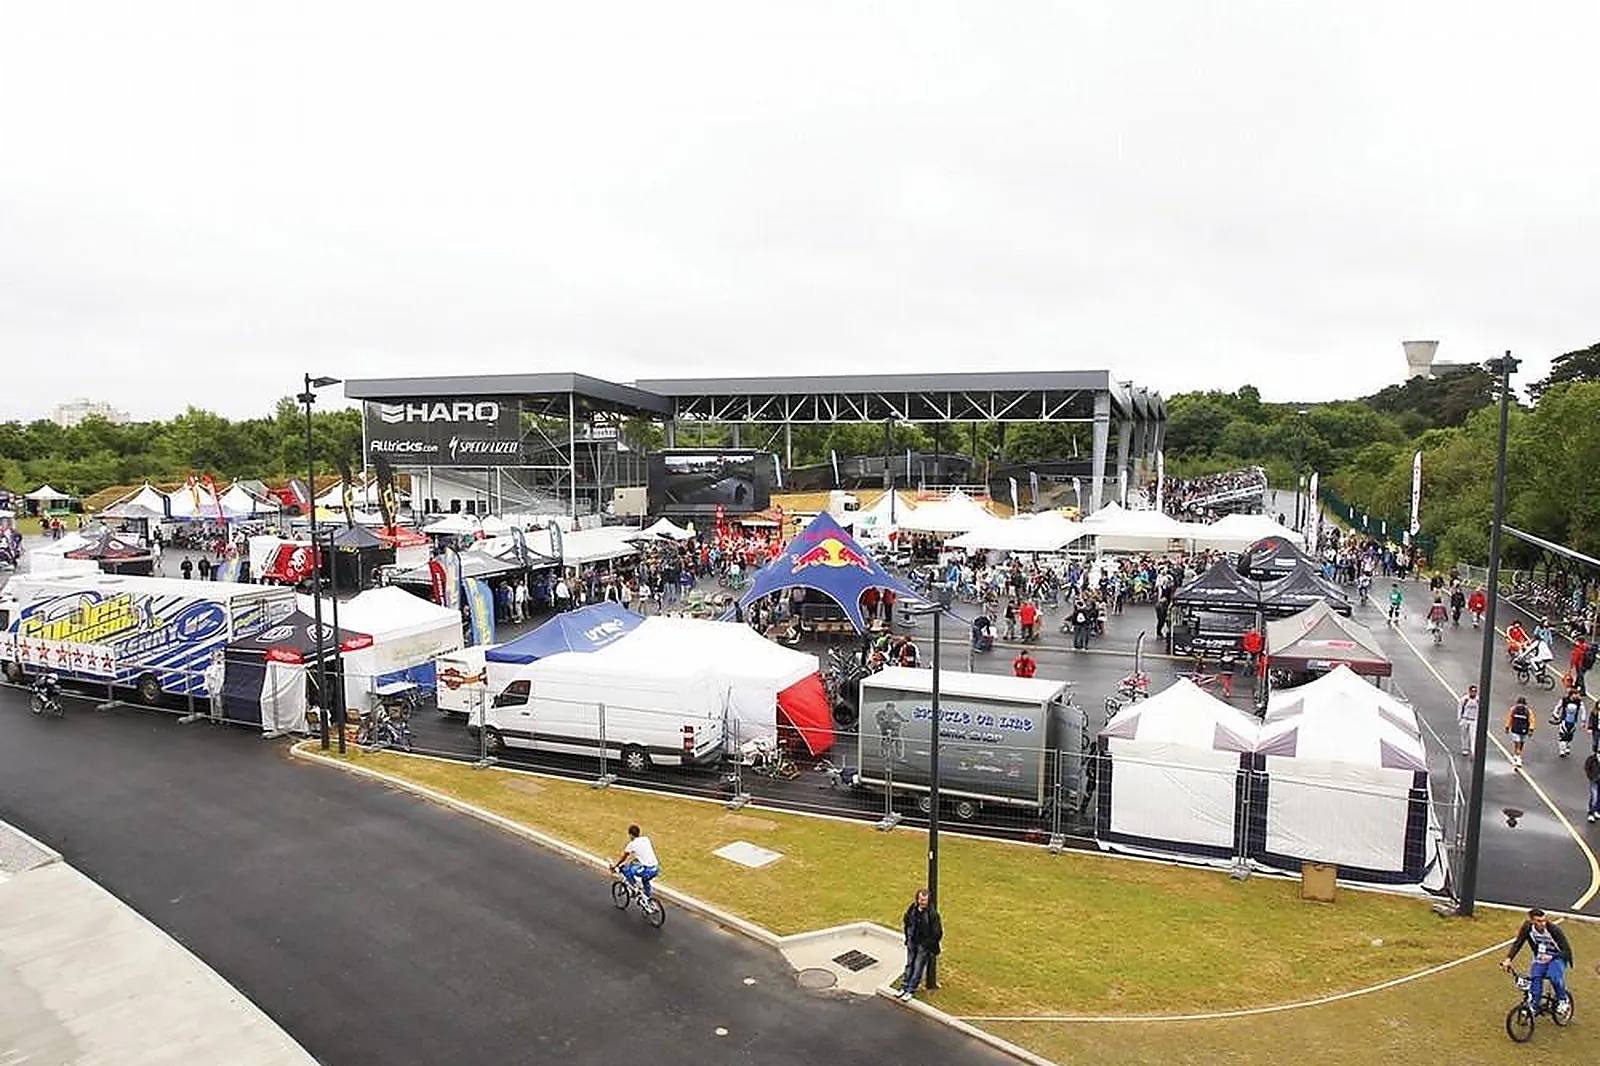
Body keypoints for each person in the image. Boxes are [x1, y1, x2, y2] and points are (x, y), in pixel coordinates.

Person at [1500, 908, 1572, 1016]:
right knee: (1535, 979)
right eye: (1539, 921)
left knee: (1554, 977)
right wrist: (1508, 959)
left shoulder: (1554, 930)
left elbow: (1566, 951)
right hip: (1541, 957)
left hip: (1558, 957)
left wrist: (1551, 956)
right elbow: (1518, 943)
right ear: (1532, 921)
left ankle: (1563, 1000)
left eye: (1544, 920)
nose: (1542, 923)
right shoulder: (1528, 928)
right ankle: (1534, 1005)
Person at [897, 888, 943, 1002]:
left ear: (928, 901)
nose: (922, 902)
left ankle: (910, 990)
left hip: (923, 945)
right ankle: (904, 987)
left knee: (918, 967)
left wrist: (928, 944)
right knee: (909, 964)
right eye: (920, 899)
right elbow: (907, 921)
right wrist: (908, 937)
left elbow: (937, 932)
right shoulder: (913, 908)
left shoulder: (932, 914)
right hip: (913, 941)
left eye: (924, 900)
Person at [611, 824, 660, 906]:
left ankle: (634, 888)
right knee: (645, 880)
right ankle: (647, 899)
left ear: (630, 835)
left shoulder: (631, 845)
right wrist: (634, 861)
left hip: (647, 870)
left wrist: (616, 866)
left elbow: (624, 858)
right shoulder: (645, 839)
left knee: (627, 870)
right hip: (656, 868)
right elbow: (642, 854)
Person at [1505, 695, 1534, 768]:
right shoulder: (1513, 710)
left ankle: (1516, 753)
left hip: (1524, 730)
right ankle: (1518, 758)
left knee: (1521, 743)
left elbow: (1531, 720)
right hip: (1515, 730)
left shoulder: (1528, 711)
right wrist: (1507, 727)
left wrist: (1531, 729)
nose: (1520, 706)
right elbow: (1509, 718)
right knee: (1517, 742)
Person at [1553, 688, 1583, 758]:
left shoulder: (1579, 702)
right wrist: (1555, 714)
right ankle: (1562, 750)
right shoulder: (1564, 700)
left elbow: (1583, 711)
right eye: (1576, 694)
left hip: (1573, 721)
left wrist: (1583, 720)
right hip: (1564, 720)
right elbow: (1557, 707)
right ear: (1571, 694)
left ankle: (1567, 747)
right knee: (1563, 734)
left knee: (1570, 735)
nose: (1577, 695)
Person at [203, 649, 226, 724]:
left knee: (219, 701)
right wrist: (208, 685)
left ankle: (221, 717)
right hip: (213, 686)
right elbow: (208, 677)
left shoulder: (223, 668)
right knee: (213, 701)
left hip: (219, 686)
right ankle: (214, 717)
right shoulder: (210, 668)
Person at [1457, 685, 1478, 757]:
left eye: (1475, 691)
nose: (1473, 693)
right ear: (1469, 691)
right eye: (1472, 691)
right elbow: (1460, 709)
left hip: (1473, 720)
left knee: (1473, 736)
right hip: (1465, 719)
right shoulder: (1464, 699)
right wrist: (1459, 719)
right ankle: (1464, 748)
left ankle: (1473, 750)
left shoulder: (1478, 700)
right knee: (1464, 735)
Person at [1585, 748, 1600, 823]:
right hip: (1594, 781)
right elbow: (1587, 768)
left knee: (1599, 797)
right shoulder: (1591, 759)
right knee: (1594, 796)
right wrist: (1591, 777)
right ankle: (1591, 813)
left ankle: (1597, 810)